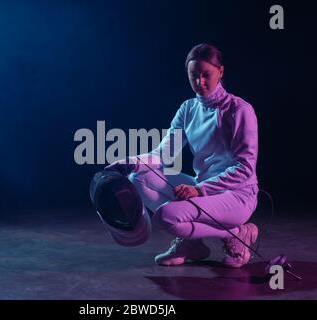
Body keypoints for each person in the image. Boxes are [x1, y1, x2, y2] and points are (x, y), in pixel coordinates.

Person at [105, 43, 259, 268]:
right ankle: (193, 246)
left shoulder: (239, 110)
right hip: (202, 188)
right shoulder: (188, 109)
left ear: (221, 72)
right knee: (138, 177)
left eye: (206, 75)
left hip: (237, 196)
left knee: (166, 217)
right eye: (193, 75)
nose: (200, 82)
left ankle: (236, 233)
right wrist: (128, 163)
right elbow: (163, 155)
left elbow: (245, 168)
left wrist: (199, 190)